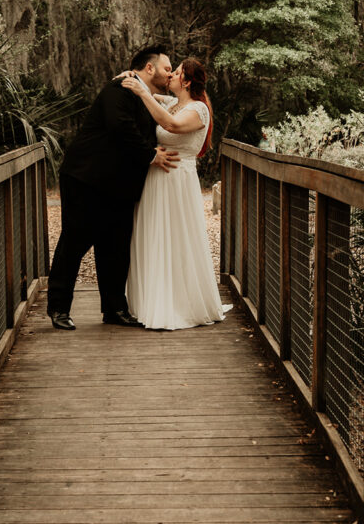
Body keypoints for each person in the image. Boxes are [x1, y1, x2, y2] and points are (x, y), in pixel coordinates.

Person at [46, 46, 179, 330]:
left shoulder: (144, 94)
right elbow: (120, 127)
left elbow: (178, 104)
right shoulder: (119, 89)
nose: (171, 73)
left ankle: (114, 309)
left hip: (120, 185)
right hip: (88, 178)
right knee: (75, 242)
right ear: (150, 68)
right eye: (168, 68)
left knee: (116, 246)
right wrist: (151, 154)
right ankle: (58, 308)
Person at [121, 58, 230, 330]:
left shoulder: (198, 110)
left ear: (187, 81)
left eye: (177, 72)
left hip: (179, 181)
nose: (171, 75)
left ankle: (181, 303)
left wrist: (143, 92)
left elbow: (170, 125)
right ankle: (152, 300)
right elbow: (153, 96)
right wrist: (134, 78)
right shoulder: (174, 102)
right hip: (157, 179)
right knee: (155, 235)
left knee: (179, 237)